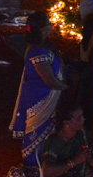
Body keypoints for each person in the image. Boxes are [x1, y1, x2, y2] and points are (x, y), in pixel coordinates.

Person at [10, 12, 69, 165]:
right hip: (40, 98)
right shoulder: (37, 51)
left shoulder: (44, 46)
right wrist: (65, 87)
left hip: (48, 95)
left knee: (49, 130)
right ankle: (33, 163)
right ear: (43, 29)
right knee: (38, 129)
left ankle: (45, 161)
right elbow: (49, 79)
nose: (52, 26)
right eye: (49, 24)